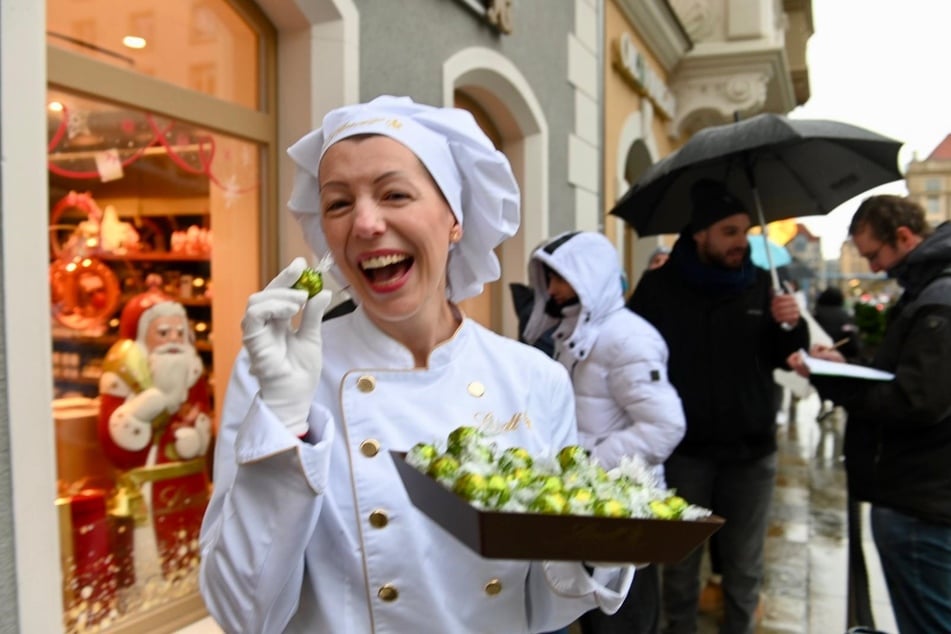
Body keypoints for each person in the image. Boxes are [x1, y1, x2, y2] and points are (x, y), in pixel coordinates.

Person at [198, 96, 634, 633]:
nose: (365, 222)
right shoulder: (277, 376)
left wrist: (599, 542)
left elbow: (547, 603)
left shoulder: (533, 378)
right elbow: (241, 614)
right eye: (337, 204)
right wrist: (285, 426)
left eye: (394, 193)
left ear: (454, 219)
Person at [626, 178, 808, 634]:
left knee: (745, 570)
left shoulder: (761, 285)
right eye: (729, 232)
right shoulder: (658, 287)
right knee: (680, 570)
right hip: (685, 453)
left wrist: (790, 326)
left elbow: (781, 355)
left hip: (751, 454)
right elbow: (630, 352)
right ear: (700, 233)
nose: (739, 243)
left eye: (744, 232)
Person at [788, 194, 951, 633]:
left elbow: (916, 400)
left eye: (875, 254)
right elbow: (903, 377)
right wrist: (849, 368)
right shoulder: (928, 291)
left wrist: (837, 381)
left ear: (903, 236)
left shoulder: (938, 298)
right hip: (925, 494)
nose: (874, 268)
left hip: (921, 499)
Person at [522, 230, 686, 634]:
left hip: (625, 510)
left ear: (590, 277)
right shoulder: (573, 333)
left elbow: (665, 426)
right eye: (549, 279)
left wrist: (591, 463)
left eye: (562, 278)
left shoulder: (629, 338)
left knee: (623, 621)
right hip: (587, 506)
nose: (553, 290)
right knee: (594, 616)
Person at [98, 274, 213, 584]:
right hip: (145, 488)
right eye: (163, 333)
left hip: (189, 482)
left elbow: (201, 410)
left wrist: (197, 434)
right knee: (148, 557)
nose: (174, 340)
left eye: (179, 332)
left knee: (189, 547)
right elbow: (112, 438)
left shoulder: (191, 370)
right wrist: (141, 410)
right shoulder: (124, 372)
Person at [813, 287, 861, 361]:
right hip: (838, 357)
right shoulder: (845, 316)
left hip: (818, 354)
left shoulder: (816, 313)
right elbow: (851, 337)